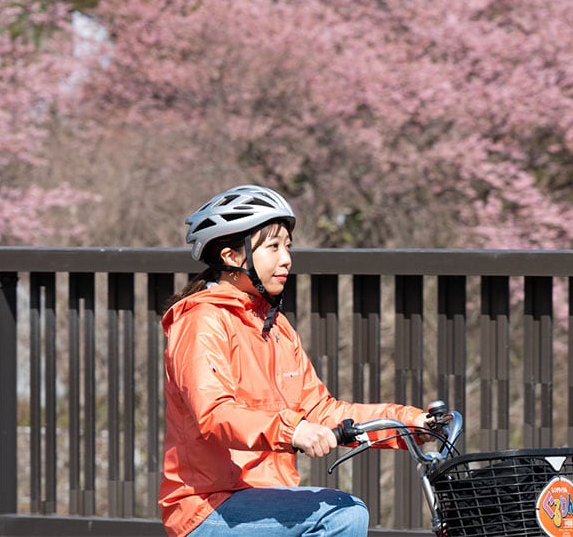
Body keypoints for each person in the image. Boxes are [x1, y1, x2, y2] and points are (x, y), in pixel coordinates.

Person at [159, 185, 432, 537]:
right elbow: (214, 413)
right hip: (206, 504)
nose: (286, 258)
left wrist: (411, 422)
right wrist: (294, 430)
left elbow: (320, 410)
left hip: (262, 496)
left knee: (340, 510)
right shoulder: (202, 321)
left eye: (288, 246)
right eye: (273, 247)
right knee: (342, 515)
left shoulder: (276, 328)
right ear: (231, 256)